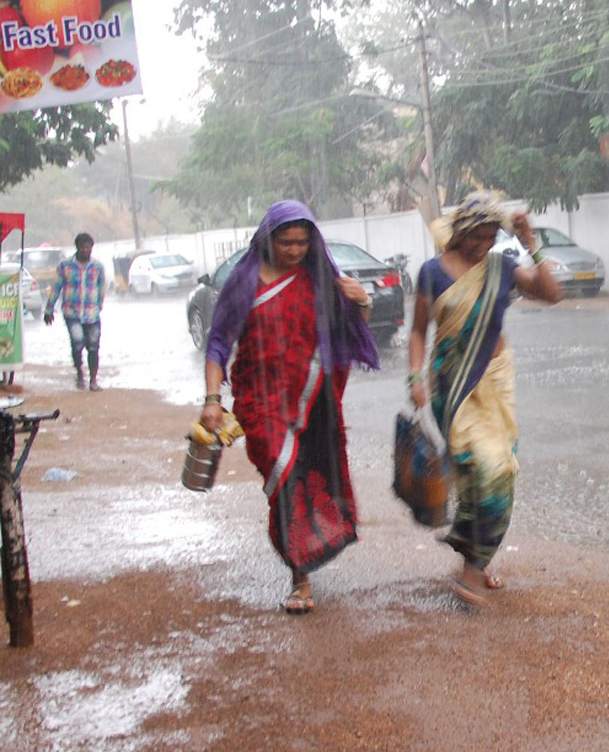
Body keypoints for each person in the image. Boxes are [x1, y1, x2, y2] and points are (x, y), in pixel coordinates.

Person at [199, 200, 379, 614]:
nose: (294, 250)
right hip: (260, 402)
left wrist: (362, 303)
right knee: (282, 480)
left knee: (305, 474)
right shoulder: (244, 283)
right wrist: (212, 400)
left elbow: (348, 333)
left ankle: (301, 575)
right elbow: (219, 343)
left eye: (301, 242)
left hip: (310, 399)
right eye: (286, 242)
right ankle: (300, 571)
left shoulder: (320, 279)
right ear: (267, 239)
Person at [408, 191, 563, 607]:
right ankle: (474, 566)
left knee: (498, 475)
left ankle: (473, 560)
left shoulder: (502, 268)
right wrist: (414, 376)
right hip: (452, 387)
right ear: (460, 232)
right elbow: (419, 331)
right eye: (476, 235)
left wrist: (531, 243)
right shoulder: (431, 273)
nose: (483, 244)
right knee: (479, 469)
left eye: (491, 235)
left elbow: (552, 294)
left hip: (494, 384)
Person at [44, 233, 106, 391]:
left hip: (92, 313)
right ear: (77, 247)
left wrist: (99, 305)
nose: (86, 250)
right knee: (77, 342)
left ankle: (93, 380)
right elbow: (56, 287)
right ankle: (79, 373)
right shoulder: (65, 266)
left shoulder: (98, 267)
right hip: (72, 312)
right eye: (83, 247)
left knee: (93, 346)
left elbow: (102, 288)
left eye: (89, 247)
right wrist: (49, 309)